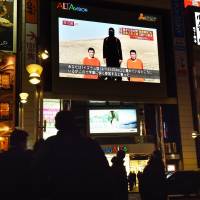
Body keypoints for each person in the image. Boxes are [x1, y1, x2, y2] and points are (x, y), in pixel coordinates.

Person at [31, 110, 113, 200]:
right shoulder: (90, 144)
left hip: (57, 192)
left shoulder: (51, 143)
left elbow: (37, 167)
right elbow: (104, 170)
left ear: (57, 125)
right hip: (86, 192)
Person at [0, 129, 32, 200]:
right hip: (22, 193)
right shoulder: (27, 157)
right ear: (21, 143)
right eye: (25, 142)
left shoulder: (2, 157)